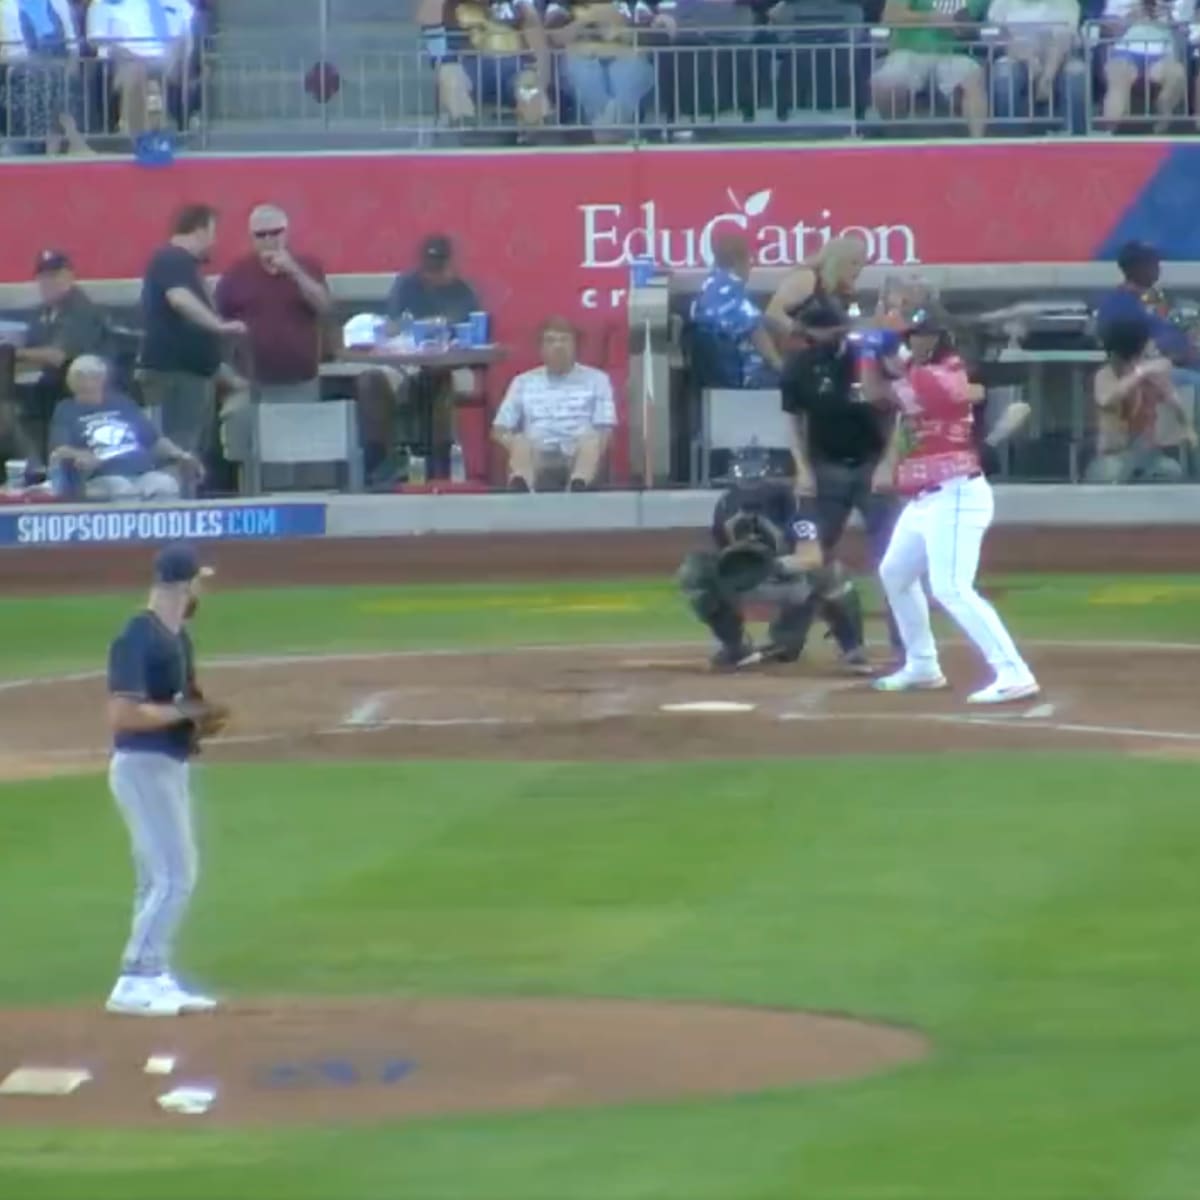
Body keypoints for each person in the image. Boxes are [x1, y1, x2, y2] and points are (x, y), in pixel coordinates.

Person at [867, 309, 1040, 704]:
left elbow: (896, 390)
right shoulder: (919, 371)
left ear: (941, 337)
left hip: (957, 494)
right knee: (894, 573)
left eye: (923, 335)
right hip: (923, 498)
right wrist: (871, 352)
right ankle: (923, 664)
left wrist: (878, 351)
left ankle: (1014, 672)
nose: (915, 341)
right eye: (911, 336)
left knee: (951, 587)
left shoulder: (948, 372)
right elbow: (881, 392)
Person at [104, 541, 229, 1017]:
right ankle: (135, 977)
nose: (202, 590)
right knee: (177, 874)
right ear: (183, 584)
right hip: (141, 766)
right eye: (199, 581)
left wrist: (198, 722)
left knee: (155, 877)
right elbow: (123, 714)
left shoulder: (179, 639)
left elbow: (188, 704)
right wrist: (182, 712)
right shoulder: (138, 636)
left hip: (169, 766)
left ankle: (151, 972)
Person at [778, 242, 905, 654]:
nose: (815, 336)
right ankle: (787, 641)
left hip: (871, 464)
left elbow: (897, 411)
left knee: (893, 559)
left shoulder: (866, 358)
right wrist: (803, 468)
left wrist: (888, 462)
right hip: (826, 466)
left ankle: (908, 645)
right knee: (810, 556)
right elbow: (794, 420)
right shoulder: (798, 366)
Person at [677, 445, 870, 673]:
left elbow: (812, 558)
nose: (752, 486)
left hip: (789, 579)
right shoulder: (725, 505)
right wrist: (737, 569)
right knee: (695, 572)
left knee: (832, 574)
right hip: (747, 580)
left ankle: (850, 645)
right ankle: (735, 645)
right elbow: (721, 555)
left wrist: (772, 566)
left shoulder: (795, 505)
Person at [214, 204, 330, 476]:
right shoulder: (236, 275)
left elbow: (324, 306)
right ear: (251, 238)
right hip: (252, 382)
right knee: (250, 453)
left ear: (286, 233)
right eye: (261, 235)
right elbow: (216, 324)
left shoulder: (308, 266)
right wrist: (228, 373)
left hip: (299, 380)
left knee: (296, 456)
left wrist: (295, 272)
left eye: (275, 233)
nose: (268, 241)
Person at [140, 203, 246, 462]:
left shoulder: (180, 265)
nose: (214, 241)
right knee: (180, 448)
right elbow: (180, 299)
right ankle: (176, 497)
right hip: (177, 376)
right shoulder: (173, 259)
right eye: (212, 232)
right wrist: (218, 325)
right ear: (199, 230)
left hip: (191, 374)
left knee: (188, 445)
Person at [48, 354, 202, 500]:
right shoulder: (66, 410)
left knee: (165, 485)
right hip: (103, 476)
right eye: (80, 377)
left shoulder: (123, 403)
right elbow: (59, 450)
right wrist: (82, 455)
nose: (88, 382)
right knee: (124, 491)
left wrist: (181, 455)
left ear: (103, 379)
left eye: (94, 376)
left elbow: (154, 440)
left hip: (143, 472)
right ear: (71, 382)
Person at [491, 315, 616, 490]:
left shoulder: (598, 380)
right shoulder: (523, 382)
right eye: (550, 341)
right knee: (519, 440)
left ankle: (578, 484)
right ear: (541, 349)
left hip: (577, 450)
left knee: (593, 439)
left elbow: (605, 429)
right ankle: (521, 483)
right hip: (537, 451)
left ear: (575, 346)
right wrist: (515, 445)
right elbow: (500, 429)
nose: (558, 346)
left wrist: (593, 452)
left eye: (564, 340)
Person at [11, 249, 109, 460]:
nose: (48, 282)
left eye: (55, 275)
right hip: (41, 396)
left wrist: (12, 352)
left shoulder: (81, 309)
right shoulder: (41, 313)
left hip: (78, 397)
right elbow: (32, 354)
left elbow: (58, 356)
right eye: (43, 277)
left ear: (70, 276)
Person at [1087, 315, 1195, 483]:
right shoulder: (1105, 375)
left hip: (1149, 457)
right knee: (1111, 475)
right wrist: (1138, 374)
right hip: (1113, 456)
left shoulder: (1152, 377)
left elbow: (1175, 402)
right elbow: (1106, 399)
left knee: (1171, 471)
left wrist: (1188, 429)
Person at [689, 232, 785, 389]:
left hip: (714, 373)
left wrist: (791, 329)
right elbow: (758, 334)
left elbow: (757, 318)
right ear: (737, 261)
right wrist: (781, 366)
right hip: (742, 376)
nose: (751, 267)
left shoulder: (712, 284)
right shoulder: (730, 290)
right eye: (749, 260)